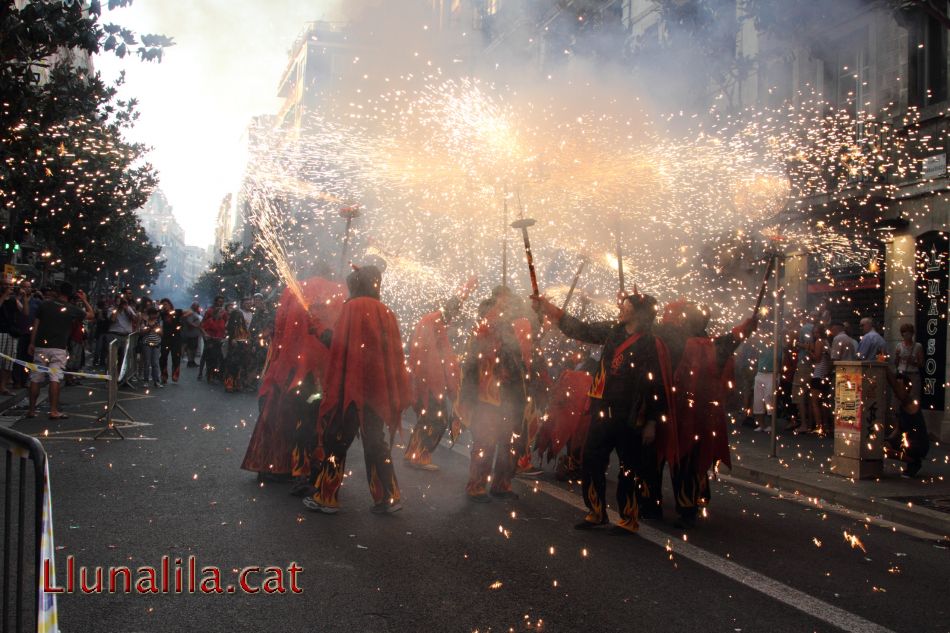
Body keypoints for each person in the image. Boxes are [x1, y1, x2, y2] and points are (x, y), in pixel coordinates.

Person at [534, 290, 675, 534]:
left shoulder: (652, 344)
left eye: (626, 307)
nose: (620, 308)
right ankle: (596, 512)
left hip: (631, 415)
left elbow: (658, 385)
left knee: (628, 468)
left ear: (639, 315)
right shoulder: (613, 330)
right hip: (603, 409)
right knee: (591, 460)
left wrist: (652, 421)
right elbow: (580, 329)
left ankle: (628, 518)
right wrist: (549, 308)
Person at [303, 265, 411, 515]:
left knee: (335, 441)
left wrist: (319, 329)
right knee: (376, 444)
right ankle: (389, 497)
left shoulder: (353, 307)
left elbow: (341, 346)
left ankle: (326, 497)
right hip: (376, 392)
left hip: (352, 389)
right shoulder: (386, 312)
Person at [241, 274, 345, 483]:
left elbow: (280, 328)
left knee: (281, 414)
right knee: (313, 419)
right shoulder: (340, 292)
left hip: (289, 366)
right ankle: (308, 470)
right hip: (321, 369)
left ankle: (277, 465)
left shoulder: (294, 290)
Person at [660, 302, 756, 528]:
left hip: (684, 410)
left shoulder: (680, 341)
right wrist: (743, 329)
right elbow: (728, 343)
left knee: (683, 458)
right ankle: (696, 496)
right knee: (696, 454)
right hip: (706, 409)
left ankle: (687, 507)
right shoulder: (711, 343)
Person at [461, 289, 528, 503]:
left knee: (507, 443)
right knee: (485, 442)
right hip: (485, 399)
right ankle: (476, 486)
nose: (500, 313)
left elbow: (516, 364)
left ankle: (501, 484)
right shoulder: (479, 332)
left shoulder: (507, 332)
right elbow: (471, 366)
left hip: (506, 397)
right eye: (497, 309)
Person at [404, 297, 463, 471]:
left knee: (426, 419)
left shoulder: (432, 320)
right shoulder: (435, 322)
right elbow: (434, 356)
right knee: (438, 419)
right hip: (431, 380)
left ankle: (412, 453)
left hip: (425, 379)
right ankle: (420, 456)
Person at [26, 282, 94, 419]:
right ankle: (53, 410)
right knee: (55, 379)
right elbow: (91, 315)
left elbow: (36, 324)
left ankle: (32, 410)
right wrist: (84, 299)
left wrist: (32, 343)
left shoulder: (45, 305)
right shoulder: (71, 309)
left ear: (58, 292)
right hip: (58, 348)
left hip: (41, 346)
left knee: (35, 378)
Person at [885, 370, 930, 477]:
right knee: (883, 446)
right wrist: (886, 441)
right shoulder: (902, 407)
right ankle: (912, 462)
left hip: (918, 445)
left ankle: (914, 462)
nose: (896, 391)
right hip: (908, 443)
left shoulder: (910, 403)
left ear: (907, 388)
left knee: (885, 448)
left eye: (899, 386)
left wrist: (885, 369)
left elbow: (898, 391)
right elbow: (898, 429)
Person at [0, 280, 26, 395]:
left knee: (8, 361)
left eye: (11, 285)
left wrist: (24, 298)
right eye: (6, 285)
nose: (9, 287)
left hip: (11, 333)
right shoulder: (4, 298)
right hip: (0, 332)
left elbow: (25, 312)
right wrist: (4, 294)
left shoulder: (13, 300)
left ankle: (3, 386)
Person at [223, 297, 254, 393]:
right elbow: (229, 326)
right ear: (242, 304)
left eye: (250, 303)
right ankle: (229, 384)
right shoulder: (236, 313)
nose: (248, 304)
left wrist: (250, 340)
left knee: (241, 364)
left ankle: (237, 383)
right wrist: (232, 338)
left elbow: (250, 329)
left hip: (244, 342)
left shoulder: (252, 314)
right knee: (232, 363)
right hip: (235, 341)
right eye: (246, 303)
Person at [809, 320, 832, 435]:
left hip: (818, 374)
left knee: (815, 402)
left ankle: (819, 426)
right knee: (824, 402)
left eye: (816, 333)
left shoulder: (819, 342)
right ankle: (826, 426)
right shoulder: (827, 342)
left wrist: (810, 352)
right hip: (825, 375)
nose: (814, 335)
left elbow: (817, 359)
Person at [893, 323, 923, 405]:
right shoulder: (899, 346)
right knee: (899, 396)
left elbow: (921, 364)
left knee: (913, 397)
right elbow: (896, 363)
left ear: (912, 333)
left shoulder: (917, 346)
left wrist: (913, 362)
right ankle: (898, 415)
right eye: (904, 332)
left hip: (913, 374)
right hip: (901, 374)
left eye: (909, 332)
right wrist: (897, 356)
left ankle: (912, 416)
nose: (906, 335)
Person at [198, 296, 227, 382]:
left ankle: (215, 373)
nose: (220, 303)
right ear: (215, 302)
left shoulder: (224, 313)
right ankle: (200, 372)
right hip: (209, 337)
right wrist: (205, 334)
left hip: (219, 338)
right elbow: (202, 324)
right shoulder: (209, 311)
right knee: (206, 354)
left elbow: (226, 324)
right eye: (219, 301)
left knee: (218, 356)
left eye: (222, 301)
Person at [158, 299, 183, 384]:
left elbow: (189, 312)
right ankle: (164, 374)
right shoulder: (162, 314)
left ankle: (175, 373)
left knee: (176, 356)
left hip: (176, 337)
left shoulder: (177, 312)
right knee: (163, 356)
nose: (165, 306)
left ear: (170, 304)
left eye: (166, 304)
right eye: (163, 305)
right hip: (166, 338)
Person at [140, 306, 163, 388]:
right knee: (147, 362)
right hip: (147, 344)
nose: (154, 316)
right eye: (152, 314)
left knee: (155, 363)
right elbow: (142, 332)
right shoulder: (145, 322)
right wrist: (149, 328)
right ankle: (146, 380)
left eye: (155, 314)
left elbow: (161, 333)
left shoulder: (158, 322)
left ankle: (156, 381)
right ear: (149, 314)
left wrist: (157, 328)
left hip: (156, 345)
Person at [181, 302, 203, 368]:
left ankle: (192, 361)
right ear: (194, 306)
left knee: (193, 348)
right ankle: (190, 362)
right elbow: (189, 322)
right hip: (191, 334)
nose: (198, 307)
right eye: (197, 306)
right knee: (191, 348)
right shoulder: (190, 313)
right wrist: (197, 326)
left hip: (194, 333)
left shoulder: (193, 312)